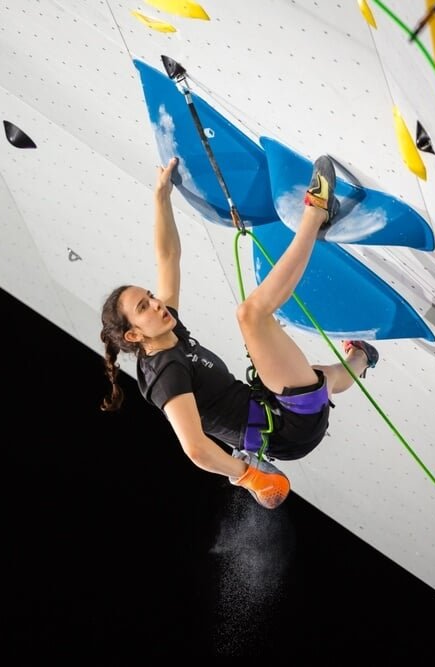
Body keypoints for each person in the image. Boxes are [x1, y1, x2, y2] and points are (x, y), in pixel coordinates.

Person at [99, 155, 379, 509]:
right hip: (286, 428)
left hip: (271, 405)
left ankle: (362, 357)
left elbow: (168, 256)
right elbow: (196, 449)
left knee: (319, 377)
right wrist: (249, 476)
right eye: (144, 308)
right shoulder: (166, 373)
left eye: (150, 296)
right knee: (250, 315)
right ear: (134, 336)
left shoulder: (165, 327)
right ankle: (318, 212)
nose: (156, 304)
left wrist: (160, 197)